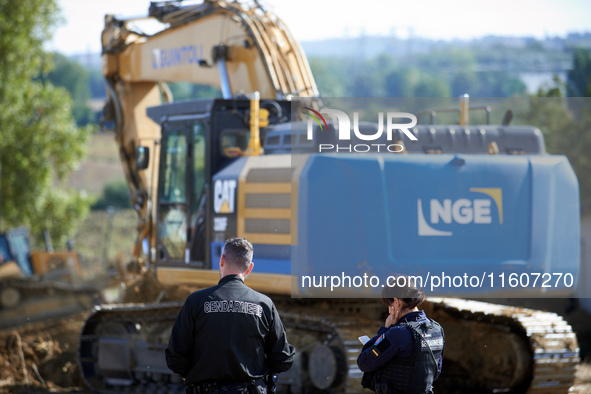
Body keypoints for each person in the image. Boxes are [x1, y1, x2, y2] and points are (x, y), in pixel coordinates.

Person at [165, 237, 295, 393]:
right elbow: (283, 359)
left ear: (222, 260)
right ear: (250, 268)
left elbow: (175, 356)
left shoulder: (196, 302)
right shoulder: (264, 304)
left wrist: (189, 373)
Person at [357, 277, 444, 394]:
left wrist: (385, 330)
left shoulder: (398, 333)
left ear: (397, 302)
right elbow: (435, 371)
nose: (389, 311)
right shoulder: (437, 329)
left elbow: (365, 362)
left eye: (389, 304)